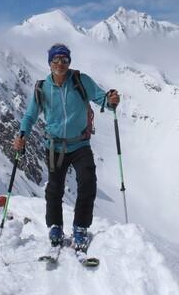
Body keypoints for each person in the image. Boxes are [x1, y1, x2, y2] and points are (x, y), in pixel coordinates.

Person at [13, 43, 120, 251]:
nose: (60, 64)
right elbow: (30, 115)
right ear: (50, 63)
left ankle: (80, 227)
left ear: (69, 62)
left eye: (64, 60)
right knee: (54, 188)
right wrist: (22, 134)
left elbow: (101, 99)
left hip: (80, 144)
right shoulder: (42, 88)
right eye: (56, 60)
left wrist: (111, 100)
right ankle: (55, 226)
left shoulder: (81, 81)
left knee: (87, 183)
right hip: (55, 146)